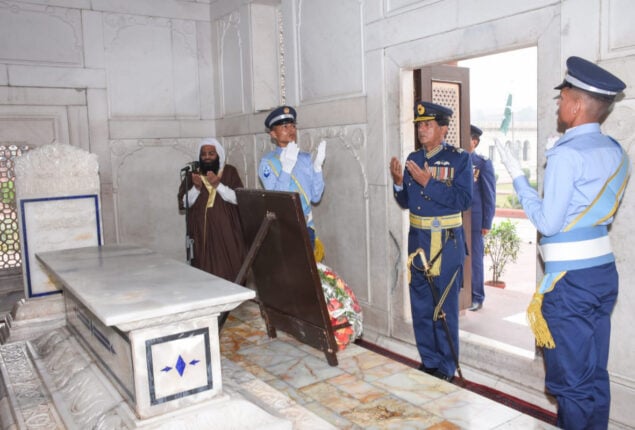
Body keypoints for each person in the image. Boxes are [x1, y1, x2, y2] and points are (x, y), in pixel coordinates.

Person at [496, 56, 629, 429]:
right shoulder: (618, 153)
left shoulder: (567, 155)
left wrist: (518, 177)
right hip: (602, 275)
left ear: (577, 103)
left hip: (568, 283)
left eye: (563, 95)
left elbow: (548, 222)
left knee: (571, 385)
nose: (559, 103)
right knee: (594, 375)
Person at [389, 101, 472, 381]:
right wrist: (399, 182)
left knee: (444, 309)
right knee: (422, 306)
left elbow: (464, 200)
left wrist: (429, 183)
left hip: (446, 244)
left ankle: (447, 367)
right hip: (418, 242)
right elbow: (406, 203)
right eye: (419, 125)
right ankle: (430, 361)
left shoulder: (459, 159)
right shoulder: (414, 157)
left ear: (443, 129)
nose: (422, 130)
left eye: (427, 125)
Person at [178, 138, 247, 283]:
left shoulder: (229, 172)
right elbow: (185, 203)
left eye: (211, 153)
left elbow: (238, 198)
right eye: (203, 154)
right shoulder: (193, 175)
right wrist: (196, 188)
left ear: (218, 155)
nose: (207, 157)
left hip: (227, 232)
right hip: (200, 233)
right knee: (203, 270)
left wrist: (218, 185)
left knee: (230, 269)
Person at [258, 105, 326, 249]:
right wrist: (286, 169)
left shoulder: (305, 158)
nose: (291, 130)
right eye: (285, 127)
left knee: (309, 271)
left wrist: (317, 167)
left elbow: (316, 197)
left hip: (307, 227)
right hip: (284, 228)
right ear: (273, 134)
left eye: (293, 126)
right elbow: (277, 200)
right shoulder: (268, 162)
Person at [467, 125, 496, 311]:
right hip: (456, 220)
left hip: (476, 221)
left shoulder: (482, 163)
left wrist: (486, 223)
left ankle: (477, 296)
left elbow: (489, 195)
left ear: (474, 141)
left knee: (475, 259)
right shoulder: (456, 161)